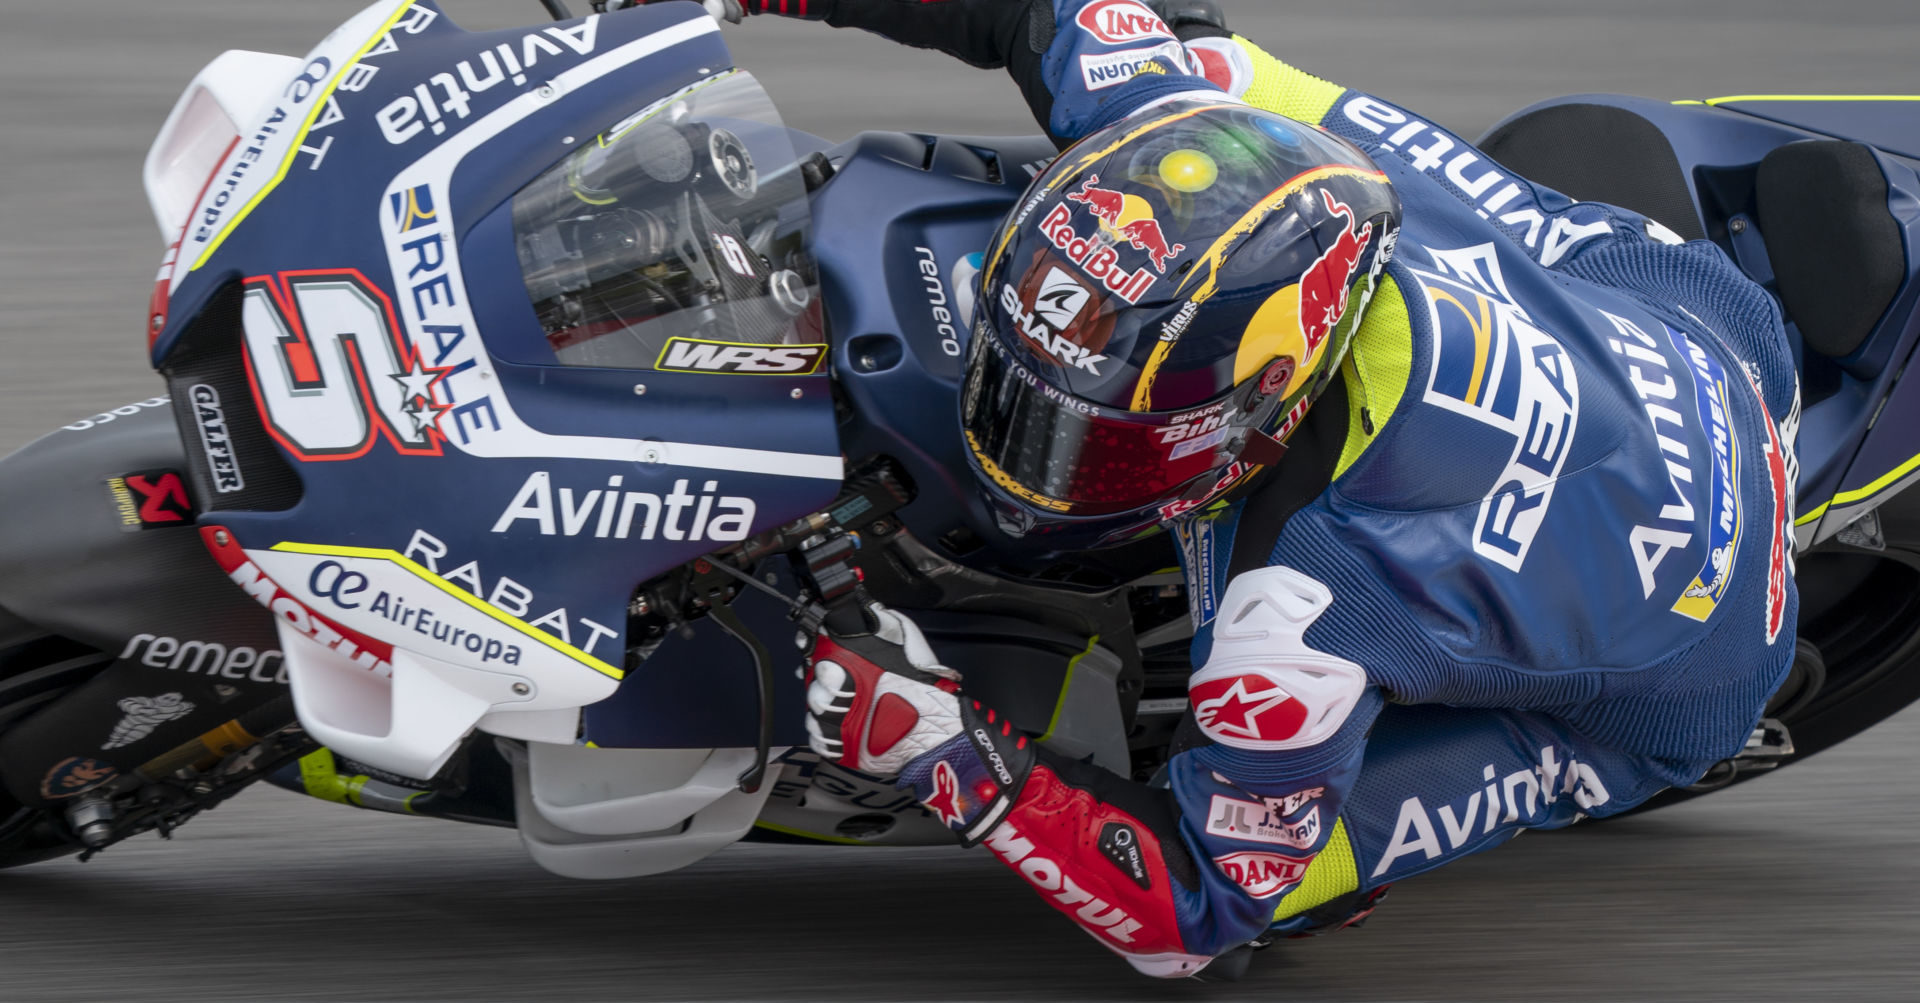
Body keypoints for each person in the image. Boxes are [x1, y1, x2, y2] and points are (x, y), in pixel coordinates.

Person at [690, 0, 1802, 978]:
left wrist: (934, 744)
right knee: (1205, 51)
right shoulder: (1190, 125)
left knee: (1279, 885)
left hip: (1690, 666)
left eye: (1102, 445)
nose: (1042, 463)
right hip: (1688, 316)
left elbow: (1186, 915)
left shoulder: (1301, 612)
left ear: (1259, 421)